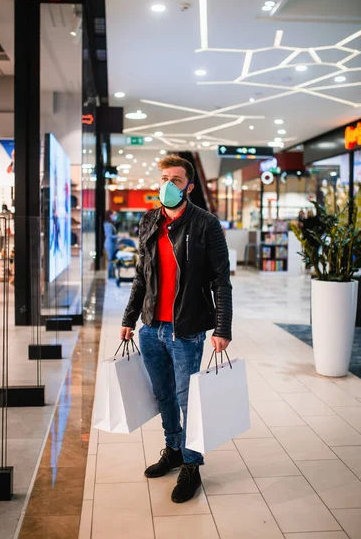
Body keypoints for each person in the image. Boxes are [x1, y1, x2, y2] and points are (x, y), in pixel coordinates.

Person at [120, 155, 233, 504]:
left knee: (188, 399)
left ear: (190, 186)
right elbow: (142, 275)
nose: (169, 184)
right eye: (165, 177)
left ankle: (192, 464)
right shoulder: (149, 220)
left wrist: (222, 327)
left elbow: (221, 280)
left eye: (177, 179)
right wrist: (129, 318)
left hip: (186, 329)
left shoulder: (206, 224)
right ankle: (172, 448)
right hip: (152, 327)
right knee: (163, 395)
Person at [103, 211, 118, 279]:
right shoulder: (108, 225)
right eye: (114, 214)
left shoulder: (110, 224)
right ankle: (110, 275)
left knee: (112, 259)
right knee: (111, 259)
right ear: (110, 215)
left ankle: (112, 274)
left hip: (112, 243)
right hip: (110, 244)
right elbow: (110, 236)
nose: (115, 216)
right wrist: (120, 236)